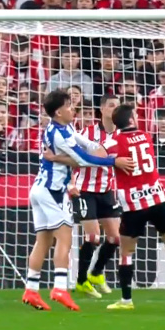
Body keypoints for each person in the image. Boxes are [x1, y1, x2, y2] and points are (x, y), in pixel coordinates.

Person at [21, 89, 133, 312]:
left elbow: (87, 145)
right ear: (59, 111)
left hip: (40, 189)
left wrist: (99, 149)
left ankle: (31, 290)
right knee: (64, 237)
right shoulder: (58, 134)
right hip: (52, 191)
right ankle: (60, 288)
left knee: (43, 240)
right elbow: (82, 160)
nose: (73, 109)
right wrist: (113, 161)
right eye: (69, 106)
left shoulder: (65, 128)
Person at [103, 103, 165, 309]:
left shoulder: (113, 142)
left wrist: (113, 162)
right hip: (158, 198)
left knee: (126, 252)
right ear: (131, 120)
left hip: (134, 205)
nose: (138, 117)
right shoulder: (146, 137)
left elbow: (95, 157)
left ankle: (126, 300)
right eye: (135, 114)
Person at [45, 93, 122, 298]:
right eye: (111, 106)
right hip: (85, 189)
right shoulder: (86, 133)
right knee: (93, 236)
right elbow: (73, 158)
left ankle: (96, 273)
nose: (115, 110)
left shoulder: (121, 135)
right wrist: (70, 183)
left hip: (107, 190)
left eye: (118, 106)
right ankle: (81, 281)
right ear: (102, 109)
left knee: (115, 238)